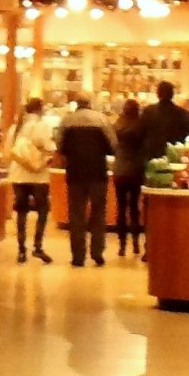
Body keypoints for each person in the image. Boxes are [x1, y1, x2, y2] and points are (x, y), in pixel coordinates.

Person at [55, 94, 116, 267]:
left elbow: (59, 146)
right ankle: (97, 252)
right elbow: (113, 145)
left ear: (77, 104)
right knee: (98, 213)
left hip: (75, 173)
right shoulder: (101, 120)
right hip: (97, 172)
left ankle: (78, 256)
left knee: (76, 215)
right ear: (90, 103)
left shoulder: (67, 121)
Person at [6, 97, 56, 264]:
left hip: (18, 174)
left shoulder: (15, 128)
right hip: (38, 176)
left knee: (21, 211)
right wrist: (44, 161)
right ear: (40, 109)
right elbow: (49, 148)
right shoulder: (42, 126)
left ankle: (21, 250)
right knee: (42, 210)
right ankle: (37, 247)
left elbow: (9, 151)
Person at [112, 98, 146, 258]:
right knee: (134, 208)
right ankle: (136, 243)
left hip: (119, 171)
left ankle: (122, 245)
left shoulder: (117, 125)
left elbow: (113, 146)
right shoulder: (140, 126)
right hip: (135, 171)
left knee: (121, 208)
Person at [139, 80, 189, 163]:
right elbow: (188, 135)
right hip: (175, 156)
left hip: (152, 156)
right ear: (172, 94)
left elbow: (141, 133)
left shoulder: (148, 111)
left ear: (158, 94)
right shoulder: (183, 114)